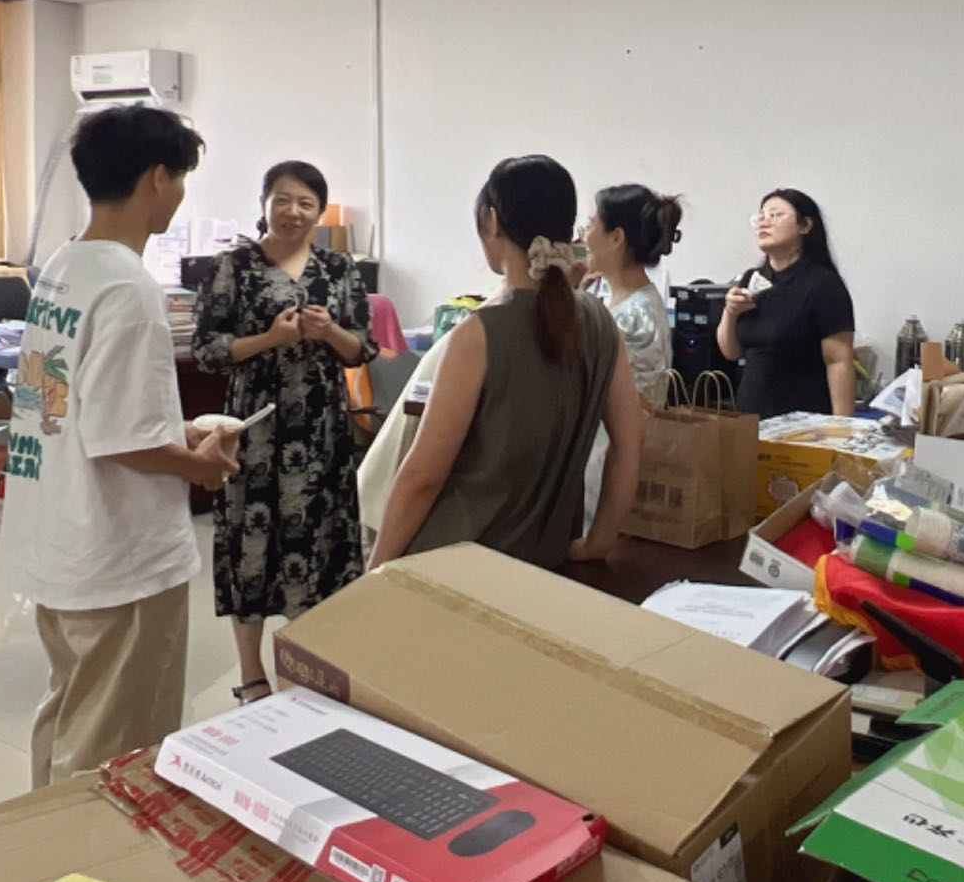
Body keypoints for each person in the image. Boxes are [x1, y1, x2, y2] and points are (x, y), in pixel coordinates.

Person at [5, 105, 238, 787]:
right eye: (182, 178)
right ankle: (83, 852)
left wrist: (177, 431)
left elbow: (77, 406)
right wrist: (198, 463)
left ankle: (44, 835)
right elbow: (121, 439)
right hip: (121, 559)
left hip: (61, 541)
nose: (181, 193)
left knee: (69, 716)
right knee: (116, 754)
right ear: (157, 178)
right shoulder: (130, 287)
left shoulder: (64, 265)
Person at [367, 155, 642, 572]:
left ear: (492, 222)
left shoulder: (478, 334)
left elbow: (423, 477)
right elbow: (630, 440)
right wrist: (599, 541)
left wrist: (376, 571)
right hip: (546, 567)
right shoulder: (601, 322)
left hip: (457, 566)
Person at [192, 161, 377, 705]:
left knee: (320, 542)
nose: (292, 212)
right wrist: (269, 339)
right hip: (256, 428)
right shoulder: (233, 267)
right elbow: (207, 351)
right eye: (282, 200)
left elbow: (362, 349)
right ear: (264, 204)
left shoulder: (339, 269)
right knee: (250, 543)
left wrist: (331, 331)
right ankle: (252, 674)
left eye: (305, 203)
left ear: (319, 213)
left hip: (322, 431)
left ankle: (307, 667)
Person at [581, 183, 682, 525]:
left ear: (616, 237)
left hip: (604, 467)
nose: (584, 236)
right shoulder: (621, 303)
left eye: (592, 224)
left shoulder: (635, 316)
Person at [717, 188, 856, 419]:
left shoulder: (823, 284)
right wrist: (730, 313)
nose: (764, 222)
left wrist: (841, 426)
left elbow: (838, 361)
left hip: (802, 421)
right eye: (761, 216)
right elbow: (731, 352)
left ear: (805, 226)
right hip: (750, 416)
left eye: (775, 215)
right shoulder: (752, 279)